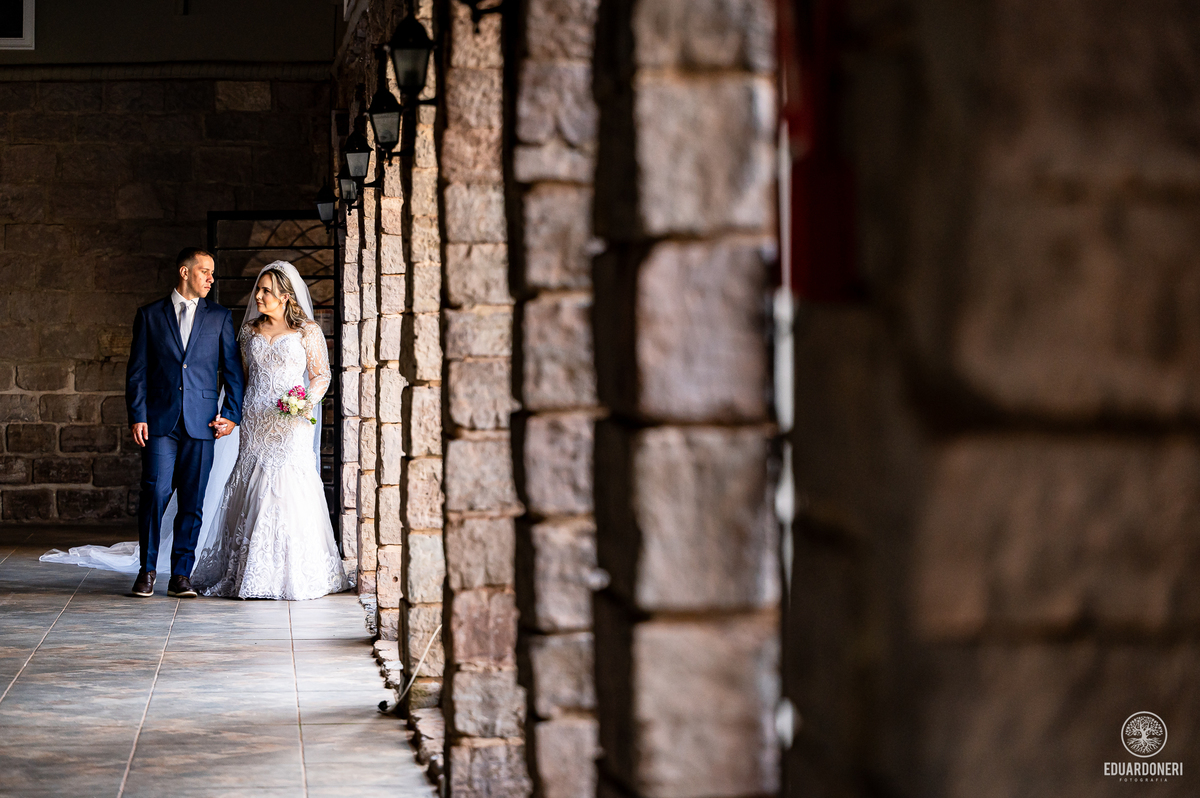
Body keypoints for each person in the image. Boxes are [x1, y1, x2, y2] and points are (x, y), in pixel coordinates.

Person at [190, 262, 349, 600]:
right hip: (255, 418)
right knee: (251, 482)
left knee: (287, 485)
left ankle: (289, 571)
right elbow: (240, 378)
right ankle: (245, 568)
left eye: (265, 291)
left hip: (291, 420)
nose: (258, 296)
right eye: (258, 289)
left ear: (286, 297)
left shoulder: (308, 331)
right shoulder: (248, 331)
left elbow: (321, 375)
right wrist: (232, 413)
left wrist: (304, 402)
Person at [126, 247, 244, 598]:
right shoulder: (149, 315)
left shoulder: (220, 317)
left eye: (212, 272)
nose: (211, 278)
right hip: (160, 422)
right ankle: (146, 571)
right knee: (155, 492)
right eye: (204, 271)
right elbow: (137, 372)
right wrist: (138, 415)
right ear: (184, 272)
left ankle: (181, 576)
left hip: (202, 422)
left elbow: (233, 371)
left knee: (193, 501)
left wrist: (233, 415)